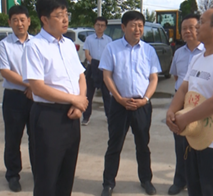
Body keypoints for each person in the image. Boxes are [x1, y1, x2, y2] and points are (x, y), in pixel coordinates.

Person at [166, 6, 213, 196]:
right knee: (195, 190)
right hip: (194, 136)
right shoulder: (198, 58)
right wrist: (172, 111)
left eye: (201, 22)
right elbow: (184, 88)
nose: (196, 27)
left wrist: (185, 119)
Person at [21, 0, 88, 196]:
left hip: (72, 116)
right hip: (48, 117)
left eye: (66, 14)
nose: (65, 19)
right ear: (44, 19)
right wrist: (74, 99)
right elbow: (38, 88)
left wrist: (79, 103)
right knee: (47, 177)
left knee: (67, 176)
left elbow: (81, 76)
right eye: (59, 15)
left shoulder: (68, 45)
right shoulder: (34, 47)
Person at [99, 11, 161, 196]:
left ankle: (146, 180)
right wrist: (118, 98)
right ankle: (108, 183)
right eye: (133, 25)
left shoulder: (148, 50)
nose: (137, 29)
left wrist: (145, 100)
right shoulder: (112, 48)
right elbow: (107, 76)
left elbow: (153, 78)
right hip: (119, 104)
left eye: (140, 25)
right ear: (123, 27)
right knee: (114, 144)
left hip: (142, 105)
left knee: (143, 144)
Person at [0, 5, 34, 191]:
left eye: (22, 19)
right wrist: (30, 85)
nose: (19, 23)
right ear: (10, 22)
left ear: (29, 21)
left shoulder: (37, 43)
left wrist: (35, 89)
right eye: (15, 20)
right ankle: (12, 175)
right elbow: (5, 72)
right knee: (13, 138)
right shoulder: (4, 45)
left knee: (38, 137)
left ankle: (39, 171)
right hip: (14, 98)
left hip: (36, 97)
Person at [166, 14, 204, 195]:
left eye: (192, 27)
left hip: (200, 103)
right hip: (181, 101)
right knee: (180, 143)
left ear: (200, 28)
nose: (188, 31)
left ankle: (196, 181)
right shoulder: (179, 53)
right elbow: (176, 77)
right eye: (184, 28)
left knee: (200, 142)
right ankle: (180, 180)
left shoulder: (207, 51)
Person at [82, 16, 113, 125]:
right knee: (88, 94)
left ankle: (109, 117)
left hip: (104, 69)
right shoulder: (89, 39)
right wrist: (95, 63)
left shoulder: (109, 40)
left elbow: (110, 55)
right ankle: (86, 117)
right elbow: (87, 54)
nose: (100, 27)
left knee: (106, 94)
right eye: (98, 25)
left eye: (102, 25)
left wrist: (102, 65)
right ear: (94, 26)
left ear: (105, 27)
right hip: (92, 68)